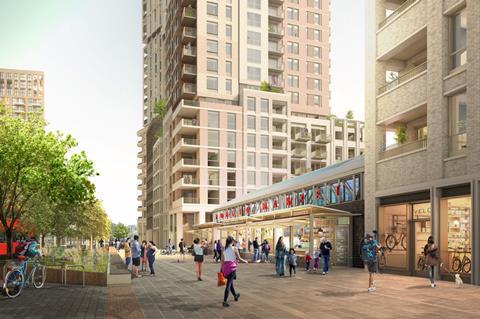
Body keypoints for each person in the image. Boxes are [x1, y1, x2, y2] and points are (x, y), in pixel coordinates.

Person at [221, 235, 248, 307]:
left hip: (225, 268)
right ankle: (224, 301)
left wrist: (221, 269)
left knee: (230, 283)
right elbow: (239, 258)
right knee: (229, 284)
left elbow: (222, 260)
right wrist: (245, 261)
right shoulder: (234, 248)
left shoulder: (224, 249)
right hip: (232, 268)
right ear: (232, 241)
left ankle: (235, 295)